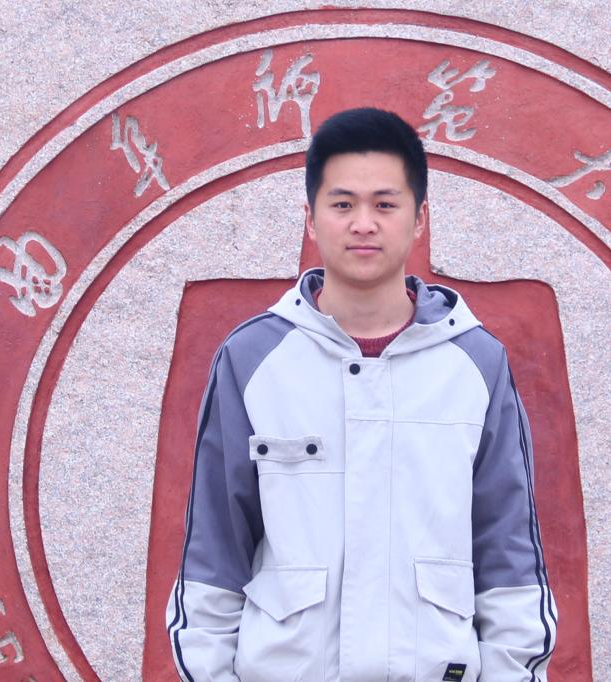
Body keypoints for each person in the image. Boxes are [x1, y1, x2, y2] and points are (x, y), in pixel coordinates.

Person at [166, 107, 556, 681]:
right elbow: (214, 550)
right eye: (343, 204)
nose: (364, 224)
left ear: (419, 218)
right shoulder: (252, 359)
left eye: (385, 205)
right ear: (310, 218)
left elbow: (508, 549)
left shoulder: (475, 363)